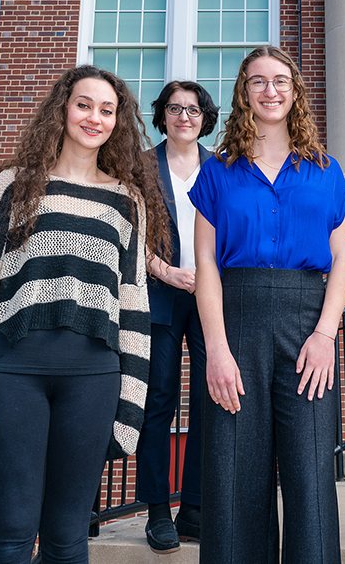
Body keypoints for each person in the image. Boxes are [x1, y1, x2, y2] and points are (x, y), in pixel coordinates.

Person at [0, 64, 168, 564]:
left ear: (119, 122)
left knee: (69, 539)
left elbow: (133, 302)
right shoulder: (16, 185)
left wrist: (130, 405)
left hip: (93, 378)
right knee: (11, 534)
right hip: (14, 374)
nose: (95, 117)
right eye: (84, 105)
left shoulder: (127, 199)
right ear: (62, 109)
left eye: (107, 110)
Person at [189, 45, 345, 563]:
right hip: (236, 320)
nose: (270, 90)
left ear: (295, 90)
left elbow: (342, 261)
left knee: (309, 475)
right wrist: (215, 347)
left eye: (280, 80)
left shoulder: (325, 170)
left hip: (308, 323)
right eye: (258, 81)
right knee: (235, 471)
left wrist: (326, 334)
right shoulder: (218, 171)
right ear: (244, 93)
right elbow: (205, 268)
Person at [135, 80, 219, 553]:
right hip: (160, 295)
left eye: (193, 109)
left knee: (209, 403)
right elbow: (132, 228)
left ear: (205, 117)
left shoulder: (222, 167)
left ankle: (195, 509)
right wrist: (165, 271)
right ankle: (157, 511)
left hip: (209, 297)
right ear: (162, 115)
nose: (184, 116)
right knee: (159, 401)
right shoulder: (142, 167)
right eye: (174, 108)